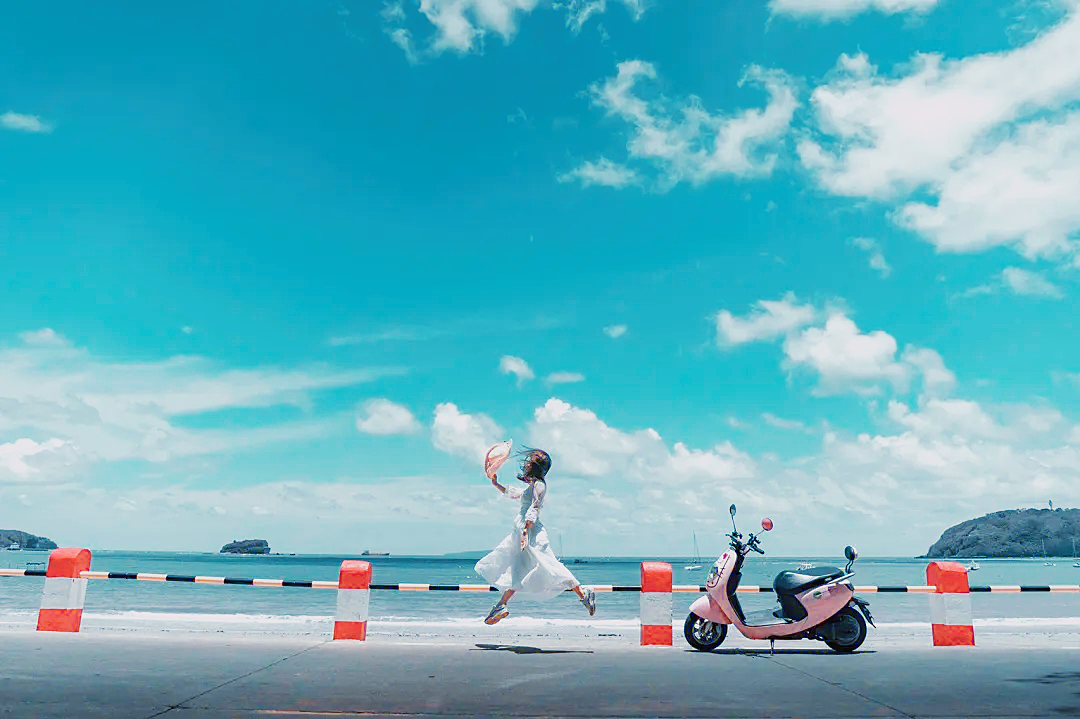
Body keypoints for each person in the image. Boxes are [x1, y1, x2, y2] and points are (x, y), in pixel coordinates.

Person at [475, 449, 596, 625]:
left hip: (531, 532)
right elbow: (516, 494)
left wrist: (526, 531)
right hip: (522, 530)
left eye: (530, 461)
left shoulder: (540, 485)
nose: (526, 464)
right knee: (518, 568)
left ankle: (583, 592)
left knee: (547, 565)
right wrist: (496, 483)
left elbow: (534, 507)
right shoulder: (532, 485)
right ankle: (501, 605)